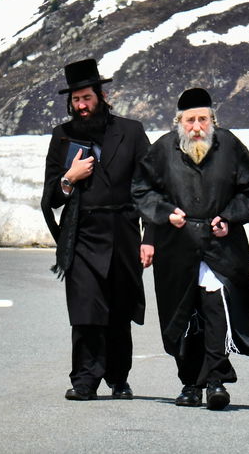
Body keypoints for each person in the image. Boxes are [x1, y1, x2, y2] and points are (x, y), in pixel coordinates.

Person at [133, 88, 249, 411]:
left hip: (221, 246)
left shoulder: (230, 146)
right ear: (179, 122)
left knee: (216, 309)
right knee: (183, 317)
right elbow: (142, 189)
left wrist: (230, 218)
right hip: (177, 247)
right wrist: (165, 213)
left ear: (212, 120)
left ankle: (216, 380)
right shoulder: (163, 149)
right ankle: (190, 383)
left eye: (203, 119)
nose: (196, 127)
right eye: (190, 120)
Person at [40, 58, 154, 401]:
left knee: (119, 311)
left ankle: (119, 378)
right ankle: (85, 380)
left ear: (102, 96)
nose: (82, 106)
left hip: (123, 233)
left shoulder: (131, 132)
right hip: (82, 236)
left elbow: (150, 189)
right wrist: (68, 180)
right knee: (86, 311)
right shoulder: (63, 137)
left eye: (87, 98)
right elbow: (49, 196)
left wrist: (149, 238)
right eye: (75, 100)